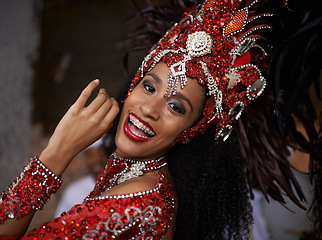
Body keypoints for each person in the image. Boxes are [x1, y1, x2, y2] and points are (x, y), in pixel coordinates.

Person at [0, 0, 321, 239]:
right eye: (150, 86)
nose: (150, 109)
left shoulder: (141, 205)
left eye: (177, 107)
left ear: (192, 129)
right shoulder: (141, 180)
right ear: (134, 82)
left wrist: (56, 153)